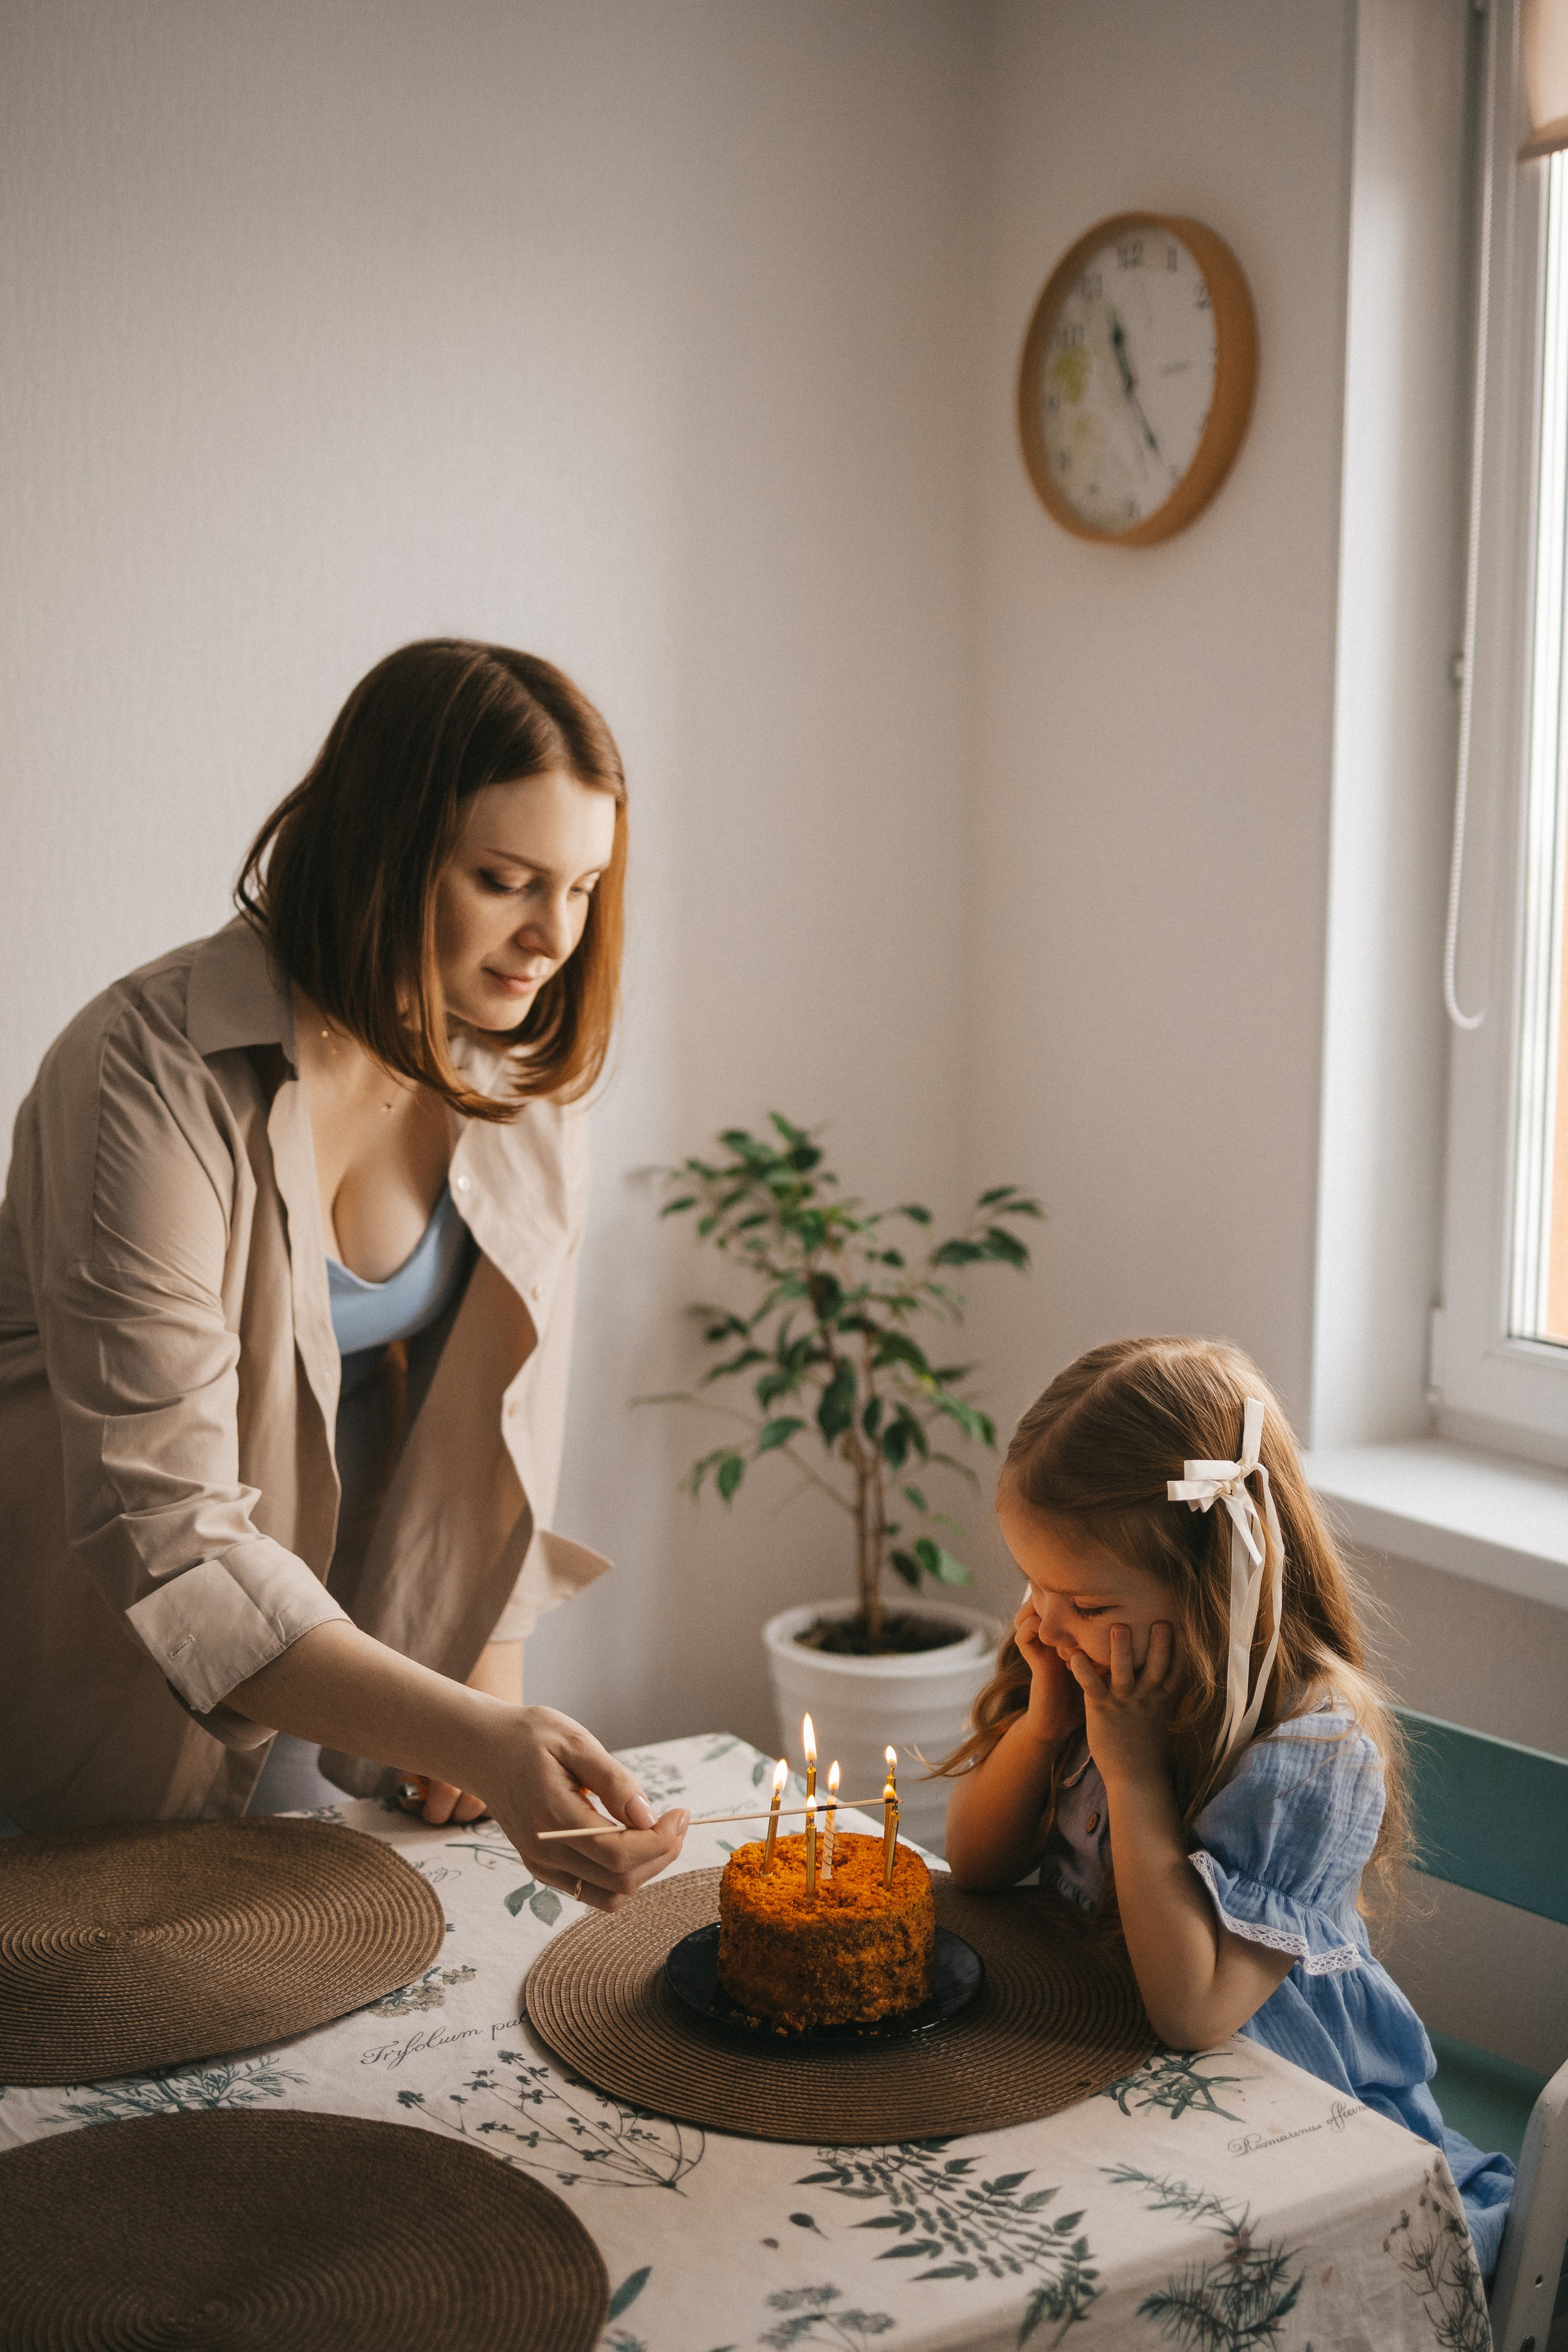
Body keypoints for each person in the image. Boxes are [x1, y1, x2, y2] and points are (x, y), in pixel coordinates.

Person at [0, 639, 686, 1909]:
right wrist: (471, 1735)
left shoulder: (513, 1080)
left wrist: (485, 1687)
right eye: (503, 880)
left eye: (583, 888)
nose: (551, 937)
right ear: (380, 849)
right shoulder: (141, 1075)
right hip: (88, 1697)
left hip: (335, 1698)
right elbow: (167, 1538)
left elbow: (504, 1440)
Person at [941, 1335, 1514, 2278]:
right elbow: (976, 1865)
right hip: (1106, 2061)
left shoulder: (1310, 1750)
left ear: (1215, 1585)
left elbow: (1195, 2009)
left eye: (1078, 1596)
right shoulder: (1100, 1669)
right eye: (1032, 1583)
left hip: (1286, 2120)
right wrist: (1044, 1727)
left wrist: (1131, 1777)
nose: (1042, 1621)